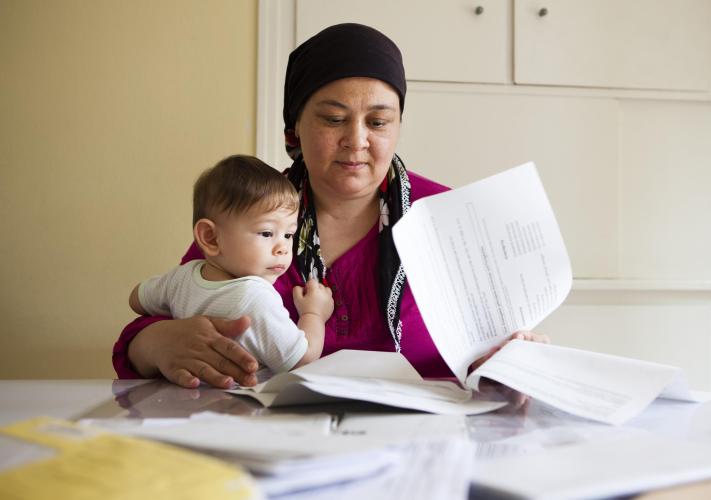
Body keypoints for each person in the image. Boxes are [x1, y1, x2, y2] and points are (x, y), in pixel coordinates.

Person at [113, 23, 548, 389]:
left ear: (397, 126)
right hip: (273, 446)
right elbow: (152, 321)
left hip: (422, 446)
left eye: (378, 122)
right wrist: (157, 343)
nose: (356, 141)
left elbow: (490, 353)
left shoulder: (451, 216)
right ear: (292, 131)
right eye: (334, 119)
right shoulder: (248, 210)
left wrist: (508, 365)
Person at [129, 155, 334, 375]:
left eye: (288, 234)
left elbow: (136, 299)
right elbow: (302, 359)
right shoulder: (255, 297)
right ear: (211, 238)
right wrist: (313, 314)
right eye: (267, 233)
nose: (283, 248)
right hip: (248, 404)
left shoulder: (180, 278)